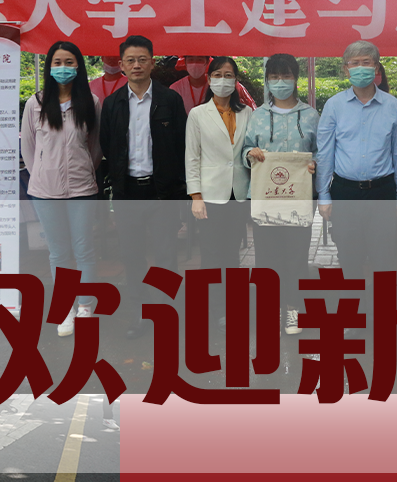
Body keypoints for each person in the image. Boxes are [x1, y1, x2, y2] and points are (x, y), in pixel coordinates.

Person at [316, 40, 397, 329]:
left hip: (382, 191)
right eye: (355, 63)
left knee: (384, 257)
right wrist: (323, 195)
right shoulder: (334, 106)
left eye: (366, 62)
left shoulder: (392, 106)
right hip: (345, 191)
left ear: (376, 67)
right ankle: (352, 316)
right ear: (346, 68)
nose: (361, 68)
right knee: (349, 256)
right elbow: (325, 153)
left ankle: (382, 316)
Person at [98, 36, 189, 340]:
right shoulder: (113, 104)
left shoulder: (169, 100)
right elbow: (108, 145)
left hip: (162, 192)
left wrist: (178, 191)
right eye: (130, 60)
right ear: (122, 65)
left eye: (142, 59)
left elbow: (181, 146)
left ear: (152, 62)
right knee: (132, 255)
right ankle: (139, 313)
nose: (136, 65)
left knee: (166, 256)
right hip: (127, 193)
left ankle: (165, 312)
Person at [23, 41, 103, 338]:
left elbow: (95, 146)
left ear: (79, 66)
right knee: (58, 254)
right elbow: (29, 148)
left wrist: (83, 170)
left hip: (82, 189)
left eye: (69, 62)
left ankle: (85, 306)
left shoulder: (91, 102)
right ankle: (66, 308)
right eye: (57, 62)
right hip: (45, 192)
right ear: (49, 67)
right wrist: (43, 174)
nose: (63, 68)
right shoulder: (35, 103)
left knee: (84, 249)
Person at [239, 54, 320, 335]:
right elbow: (245, 148)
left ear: (295, 79)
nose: (280, 82)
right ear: (267, 81)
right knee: (266, 255)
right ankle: (269, 307)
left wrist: (315, 163)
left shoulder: (310, 115)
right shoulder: (258, 115)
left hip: (299, 198)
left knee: (297, 255)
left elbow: (321, 151)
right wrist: (250, 153)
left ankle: (294, 309)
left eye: (286, 76)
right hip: (266, 198)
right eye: (274, 77)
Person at [186, 56, 254, 274]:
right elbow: (192, 157)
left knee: (232, 251)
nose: (222, 80)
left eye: (228, 75)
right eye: (217, 75)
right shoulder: (197, 114)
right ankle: (212, 296)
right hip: (210, 194)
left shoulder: (246, 113)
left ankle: (231, 294)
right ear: (209, 79)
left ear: (235, 80)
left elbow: (249, 148)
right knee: (211, 252)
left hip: (239, 192)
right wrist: (196, 197)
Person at [170, 54, 255, 110]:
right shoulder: (175, 88)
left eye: (200, 60)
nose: (195, 64)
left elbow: (247, 105)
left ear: (207, 62)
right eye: (191, 60)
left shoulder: (221, 83)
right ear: (185, 62)